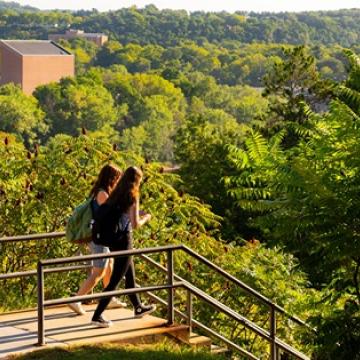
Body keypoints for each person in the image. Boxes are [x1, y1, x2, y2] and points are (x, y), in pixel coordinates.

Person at [91, 166, 156, 328]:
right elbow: (135, 224)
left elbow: (122, 213)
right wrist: (146, 217)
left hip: (113, 240)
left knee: (130, 275)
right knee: (115, 281)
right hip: (124, 240)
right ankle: (97, 315)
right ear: (137, 181)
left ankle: (138, 307)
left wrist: (136, 213)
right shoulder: (133, 195)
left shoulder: (115, 193)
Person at [69, 164, 127, 315]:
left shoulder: (105, 192)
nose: (119, 180)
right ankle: (76, 299)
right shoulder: (102, 194)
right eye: (117, 177)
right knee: (98, 272)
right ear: (111, 178)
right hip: (98, 238)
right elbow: (109, 214)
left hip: (102, 236)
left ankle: (109, 298)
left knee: (109, 265)